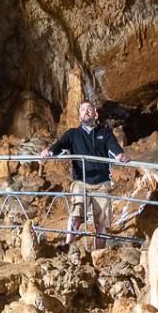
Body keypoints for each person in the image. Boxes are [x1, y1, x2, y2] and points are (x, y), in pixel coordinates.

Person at [42, 100, 130, 250]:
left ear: (95, 114)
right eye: (83, 110)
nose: (86, 111)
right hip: (81, 181)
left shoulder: (105, 133)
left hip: (101, 182)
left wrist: (120, 155)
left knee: (102, 220)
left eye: (89, 109)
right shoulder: (73, 134)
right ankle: (68, 246)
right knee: (77, 210)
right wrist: (50, 151)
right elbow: (59, 144)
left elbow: (114, 148)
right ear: (79, 116)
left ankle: (99, 253)